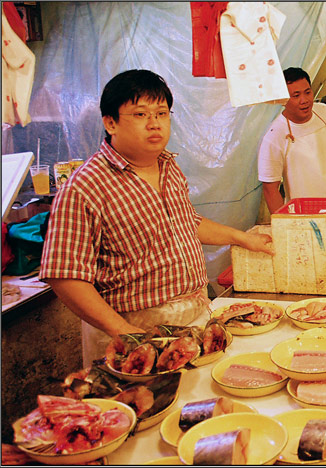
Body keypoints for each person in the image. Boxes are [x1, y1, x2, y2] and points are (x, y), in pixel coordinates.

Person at [39, 69, 274, 366]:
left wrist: (242, 238)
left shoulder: (168, 166)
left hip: (194, 316)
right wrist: (123, 331)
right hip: (133, 328)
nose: (155, 124)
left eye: (162, 113)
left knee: (196, 407)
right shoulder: (85, 186)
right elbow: (65, 275)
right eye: (140, 114)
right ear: (110, 122)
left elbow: (186, 223)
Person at [258, 67, 326, 253]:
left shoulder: (324, 112)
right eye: (296, 95)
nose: (304, 100)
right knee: (319, 266)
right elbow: (270, 189)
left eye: (307, 92)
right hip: (307, 219)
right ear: (282, 99)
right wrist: (285, 228)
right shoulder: (274, 136)